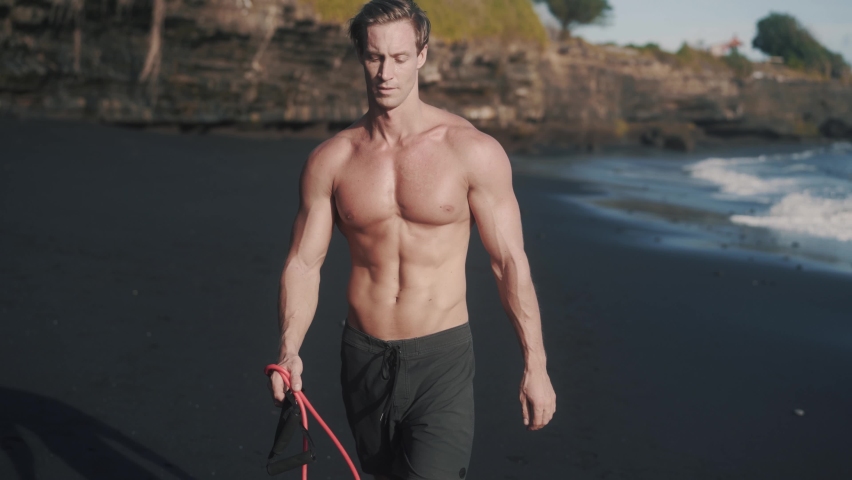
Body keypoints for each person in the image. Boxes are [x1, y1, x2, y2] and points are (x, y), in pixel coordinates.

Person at [268, 1, 556, 478]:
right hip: (363, 357)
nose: (386, 73)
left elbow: (509, 261)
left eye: (400, 58)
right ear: (360, 56)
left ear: (421, 55)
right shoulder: (332, 160)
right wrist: (289, 348)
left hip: (441, 359)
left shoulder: (472, 151)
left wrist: (536, 363)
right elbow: (303, 262)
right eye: (375, 57)